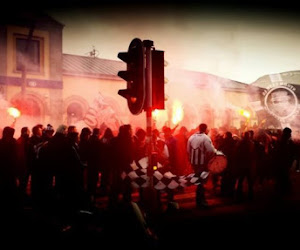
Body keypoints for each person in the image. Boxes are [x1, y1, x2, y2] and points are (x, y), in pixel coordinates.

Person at [187, 123, 217, 208]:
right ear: (206, 129)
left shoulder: (191, 137)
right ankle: (201, 202)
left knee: (199, 181)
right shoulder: (206, 138)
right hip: (202, 163)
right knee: (201, 182)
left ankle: (200, 200)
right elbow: (210, 151)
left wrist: (192, 160)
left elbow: (188, 151)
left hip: (194, 164)